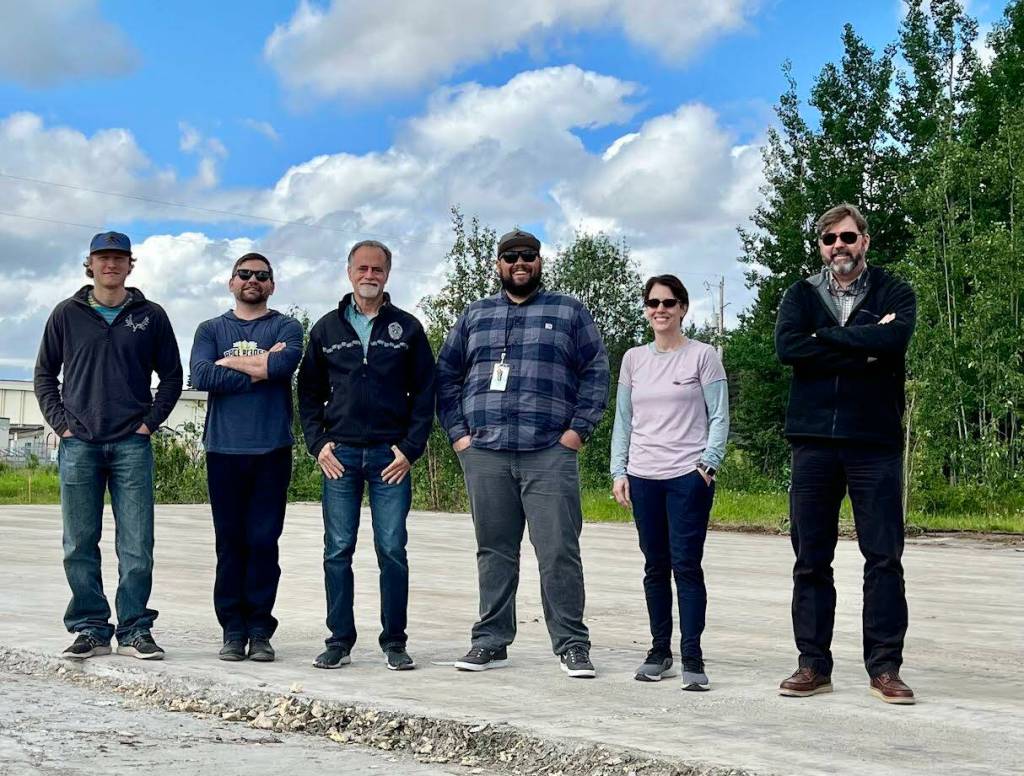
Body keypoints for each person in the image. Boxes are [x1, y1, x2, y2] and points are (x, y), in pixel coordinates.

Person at [436, 228, 609, 678]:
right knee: (494, 550)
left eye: (528, 256)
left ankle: (572, 643)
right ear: (498, 264)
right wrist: (460, 436)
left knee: (558, 551)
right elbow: (446, 377)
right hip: (486, 452)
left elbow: (596, 371)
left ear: (539, 262)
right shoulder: (475, 315)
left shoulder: (568, 310)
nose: (519, 263)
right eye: (510, 256)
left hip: (548, 450)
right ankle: (491, 640)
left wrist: (577, 432)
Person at [774, 203, 917, 705]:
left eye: (849, 237)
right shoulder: (800, 294)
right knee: (811, 559)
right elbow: (789, 348)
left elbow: (894, 338)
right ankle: (813, 663)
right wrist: (864, 346)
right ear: (820, 246)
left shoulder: (893, 291)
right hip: (812, 443)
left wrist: (826, 340)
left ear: (865, 242)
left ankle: (885, 667)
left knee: (883, 558)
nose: (840, 246)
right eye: (830, 238)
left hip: (873, 442)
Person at [34, 231, 183, 661]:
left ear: (130, 264)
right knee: (79, 541)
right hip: (79, 443)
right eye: (103, 258)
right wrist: (62, 425)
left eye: (119, 258)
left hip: (131, 445)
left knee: (137, 544)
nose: (111, 265)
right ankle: (90, 627)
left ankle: (135, 628)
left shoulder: (150, 316)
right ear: (90, 263)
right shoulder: (67, 313)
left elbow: (172, 377)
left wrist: (149, 424)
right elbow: (45, 375)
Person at [297, 240, 435, 671]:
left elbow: (425, 393)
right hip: (339, 457)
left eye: (377, 269)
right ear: (349, 272)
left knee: (392, 548)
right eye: (362, 268)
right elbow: (308, 394)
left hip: (389, 459)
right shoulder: (325, 329)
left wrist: (410, 449)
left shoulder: (407, 329)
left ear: (387, 274)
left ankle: (395, 641)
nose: (369, 275)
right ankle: (339, 640)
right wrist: (318, 445)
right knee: (338, 549)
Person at [610, 274, 728, 691]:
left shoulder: (703, 356)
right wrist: (618, 470)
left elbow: (719, 416)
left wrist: (707, 466)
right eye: (653, 302)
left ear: (682, 308)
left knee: (686, 565)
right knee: (654, 566)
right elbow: (624, 420)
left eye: (669, 302)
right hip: (643, 477)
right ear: (646, 308)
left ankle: (693, 656)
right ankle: (660, 651)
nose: (660, 309)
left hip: (686, 478)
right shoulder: (633, 359)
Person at [188, 253, 303, 662]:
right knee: (231, 543)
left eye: (262, 275)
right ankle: (232, 630)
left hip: (272, 449)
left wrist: (230, 362)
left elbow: (285, 364)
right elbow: (201, 375)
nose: (252, 280)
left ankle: (260, 629)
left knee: (263, 541)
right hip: (223, 450)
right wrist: (260, 366)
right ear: (230, 281)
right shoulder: (211, 328)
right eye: (245, 274)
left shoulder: (286, 326)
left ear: (272, 285)